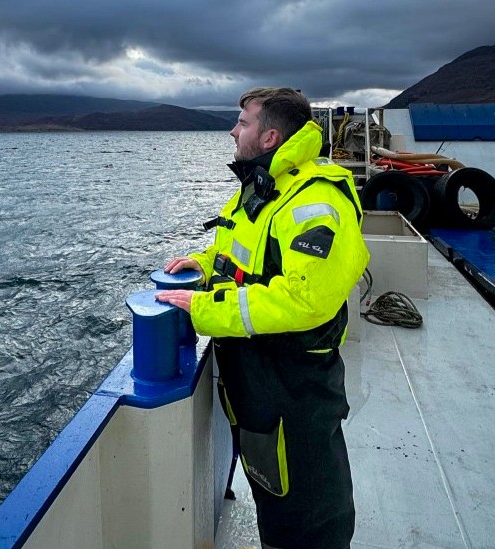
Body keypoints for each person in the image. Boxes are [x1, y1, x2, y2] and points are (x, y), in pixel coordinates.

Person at [155, 87, 369, 549]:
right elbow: (240, 255)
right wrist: (203, 263)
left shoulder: (315, 200)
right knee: (273, 486)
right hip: (258, 375)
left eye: (243, 123)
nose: (233, 131)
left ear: (270, 136)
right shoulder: (264, 187)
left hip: (295, 382)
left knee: (308, 504)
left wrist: (209, 310)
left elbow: (305, 297)